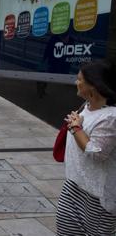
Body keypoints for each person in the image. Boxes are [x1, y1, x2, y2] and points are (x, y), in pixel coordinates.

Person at [56, 60, 116, 235]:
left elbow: (95, 152)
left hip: (97, 196)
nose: (76, 82)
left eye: (80, 79)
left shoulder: (111, 118)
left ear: (93, 86)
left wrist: (76, 128)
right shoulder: (86, 107)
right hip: (74, 185)